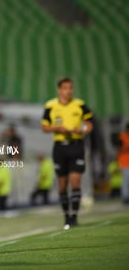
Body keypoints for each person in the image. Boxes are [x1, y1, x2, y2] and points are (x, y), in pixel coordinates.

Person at [41, 77, 93, 229]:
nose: (68, 91)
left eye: (70, 88)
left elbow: (89, 125)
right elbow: (44, 127)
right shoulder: (51, 105)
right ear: (59, 90)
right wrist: (57, 128)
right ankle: (66, 217)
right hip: (60, 147)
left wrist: (81, 130)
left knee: (75, 180)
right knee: (62, 185)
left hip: (76, 145)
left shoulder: (80, 105)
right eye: (65, 88)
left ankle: (74, 217)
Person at [117, 122, 129, 204]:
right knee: (126, 180)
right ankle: (125, 197)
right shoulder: (122, 136)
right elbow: (119, 148)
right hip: (124, 162)